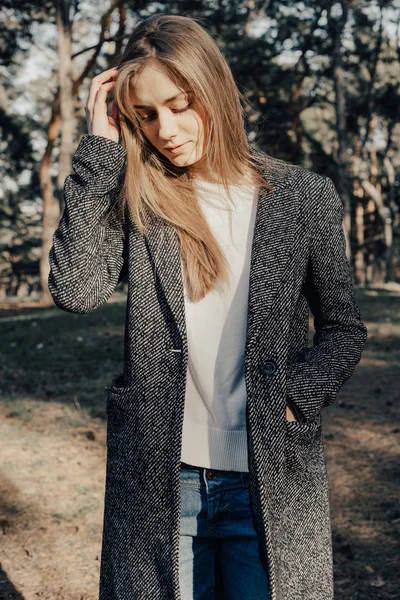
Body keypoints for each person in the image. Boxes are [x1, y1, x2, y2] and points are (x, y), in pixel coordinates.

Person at [48, 13, 368, 600]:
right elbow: (76, 291)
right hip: (163, 481)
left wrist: (298, 395)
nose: (165, 129)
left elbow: (344, 329)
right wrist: (98, 151)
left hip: (268, 478)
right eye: (144, 115)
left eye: (179, 104)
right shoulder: (140, 199)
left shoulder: (304, 198)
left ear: (213, 88)